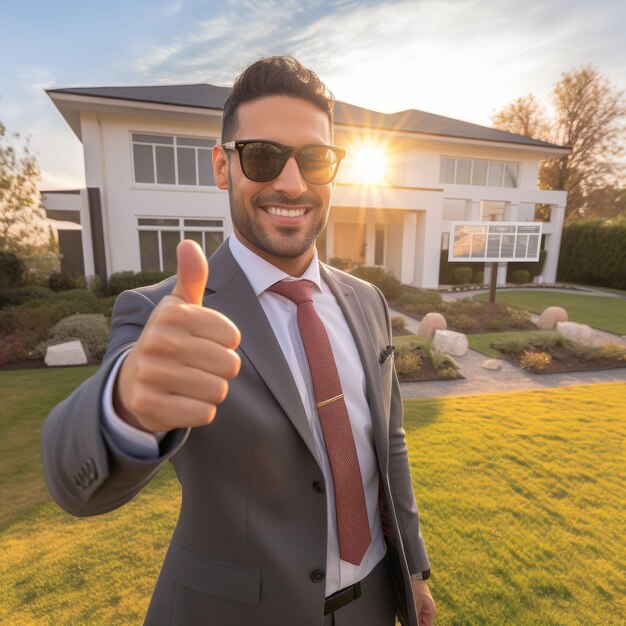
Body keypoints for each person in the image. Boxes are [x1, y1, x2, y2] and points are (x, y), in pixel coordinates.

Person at [42, 56, 435, 626]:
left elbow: (389, 446)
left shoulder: (367, 302)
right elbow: (72, 482)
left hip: (374, 607)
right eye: (263, 155)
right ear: (223, 168)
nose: (291, 182)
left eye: (314, 158)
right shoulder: (165, 312)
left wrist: (414, 569)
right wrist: (124, 407)